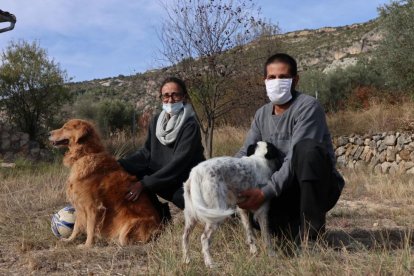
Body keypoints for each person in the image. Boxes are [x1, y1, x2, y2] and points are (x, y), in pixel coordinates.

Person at [236, 53, 345, 247]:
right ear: (264, 80)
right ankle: (291, 225)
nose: (277, 82)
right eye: (271, 77)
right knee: (274, 227)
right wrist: (228, 176)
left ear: (295, 80)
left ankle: (312, 236)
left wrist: (264, 193)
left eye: (283, 77)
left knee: (307, 149)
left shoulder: (308, 107)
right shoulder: (261, 114)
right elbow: (245, 152)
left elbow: (295, 155)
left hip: (315, 187)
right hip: (280, 190)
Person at [118, 77, 205, 222]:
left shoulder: (190, 125)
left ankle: (226, 217)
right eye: (166, 95)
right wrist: (119, 164)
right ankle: (159, 215)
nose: (170, 100)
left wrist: (144, 184)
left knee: (180, 198)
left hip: (187, 179)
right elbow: (146, 153)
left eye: (175, 95)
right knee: (131, 172)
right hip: (166, 177)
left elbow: (179, 163)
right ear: (161, 98)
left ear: (184, 97)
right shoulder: (157, 121)